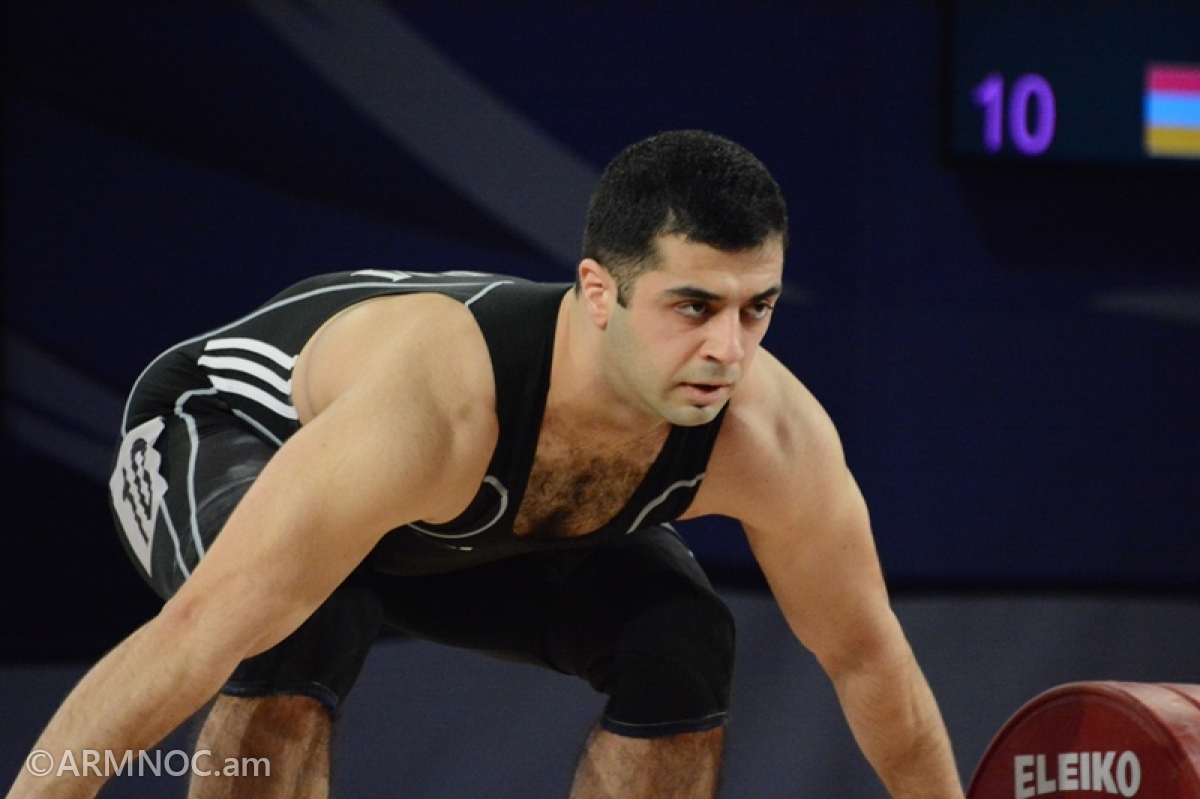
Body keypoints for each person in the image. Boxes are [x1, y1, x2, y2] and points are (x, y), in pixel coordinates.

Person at [9, 130, 964, 798]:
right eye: (693, 306)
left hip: (439, 520)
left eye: (757, 308)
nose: (729, 349)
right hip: (226, 426)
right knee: (301, 619)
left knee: (679, 638)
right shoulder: (443, 405)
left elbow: (866, 657)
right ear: (599, 291)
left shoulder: (771, 435)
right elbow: (192, 637)